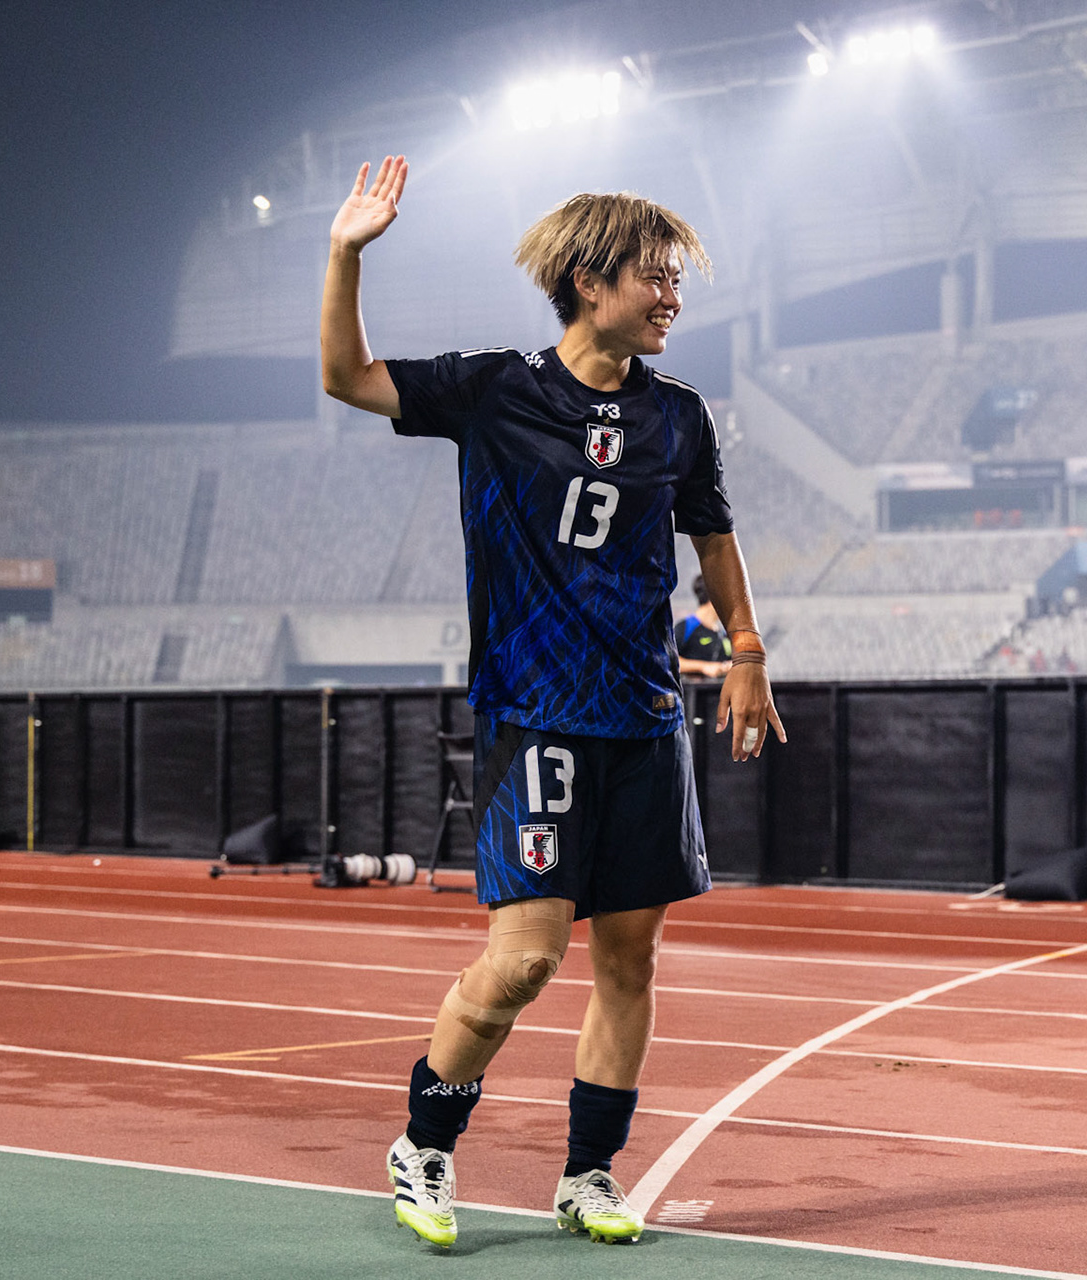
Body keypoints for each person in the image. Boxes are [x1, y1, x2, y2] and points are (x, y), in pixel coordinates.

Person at [320, 157, 785, 1250]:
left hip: (647, 718)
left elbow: (711, 534)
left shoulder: (679, 416)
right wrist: (345, 254)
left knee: (630, 961)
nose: (674, 296)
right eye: (656, 277)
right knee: (525, 960)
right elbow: (348, 376)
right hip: (535, 716)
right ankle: (424, 1142)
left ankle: (588, 1173)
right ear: (589, 280)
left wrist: (750, 646)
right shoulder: (496, 390)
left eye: (677, 280)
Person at [674, 573, 732, 678]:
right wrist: (703, 667)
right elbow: (669, 661)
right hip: (692, 693)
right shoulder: (686, 627)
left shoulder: (723, 635)